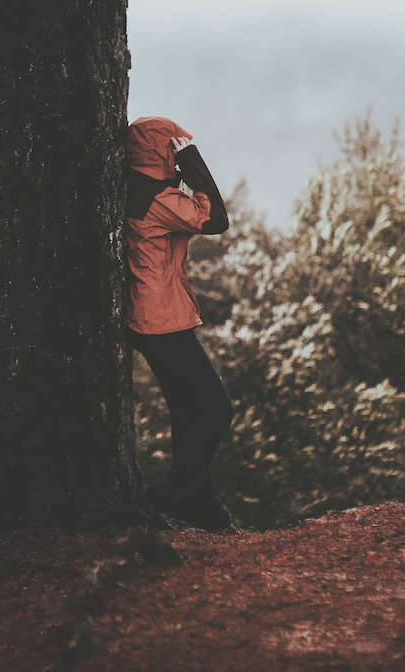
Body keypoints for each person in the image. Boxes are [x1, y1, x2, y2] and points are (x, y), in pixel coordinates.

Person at [124, 116, 237, 533]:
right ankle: (176, 492)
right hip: (161, 322)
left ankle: (202, 504)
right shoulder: (159, 200)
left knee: (188, 411)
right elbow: (218, 218)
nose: (177, 158)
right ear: (160, 152)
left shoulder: (142, 190)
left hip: (153, 317)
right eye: (172, 149)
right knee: (215, 410)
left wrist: (181, 159)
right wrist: (193, 160)